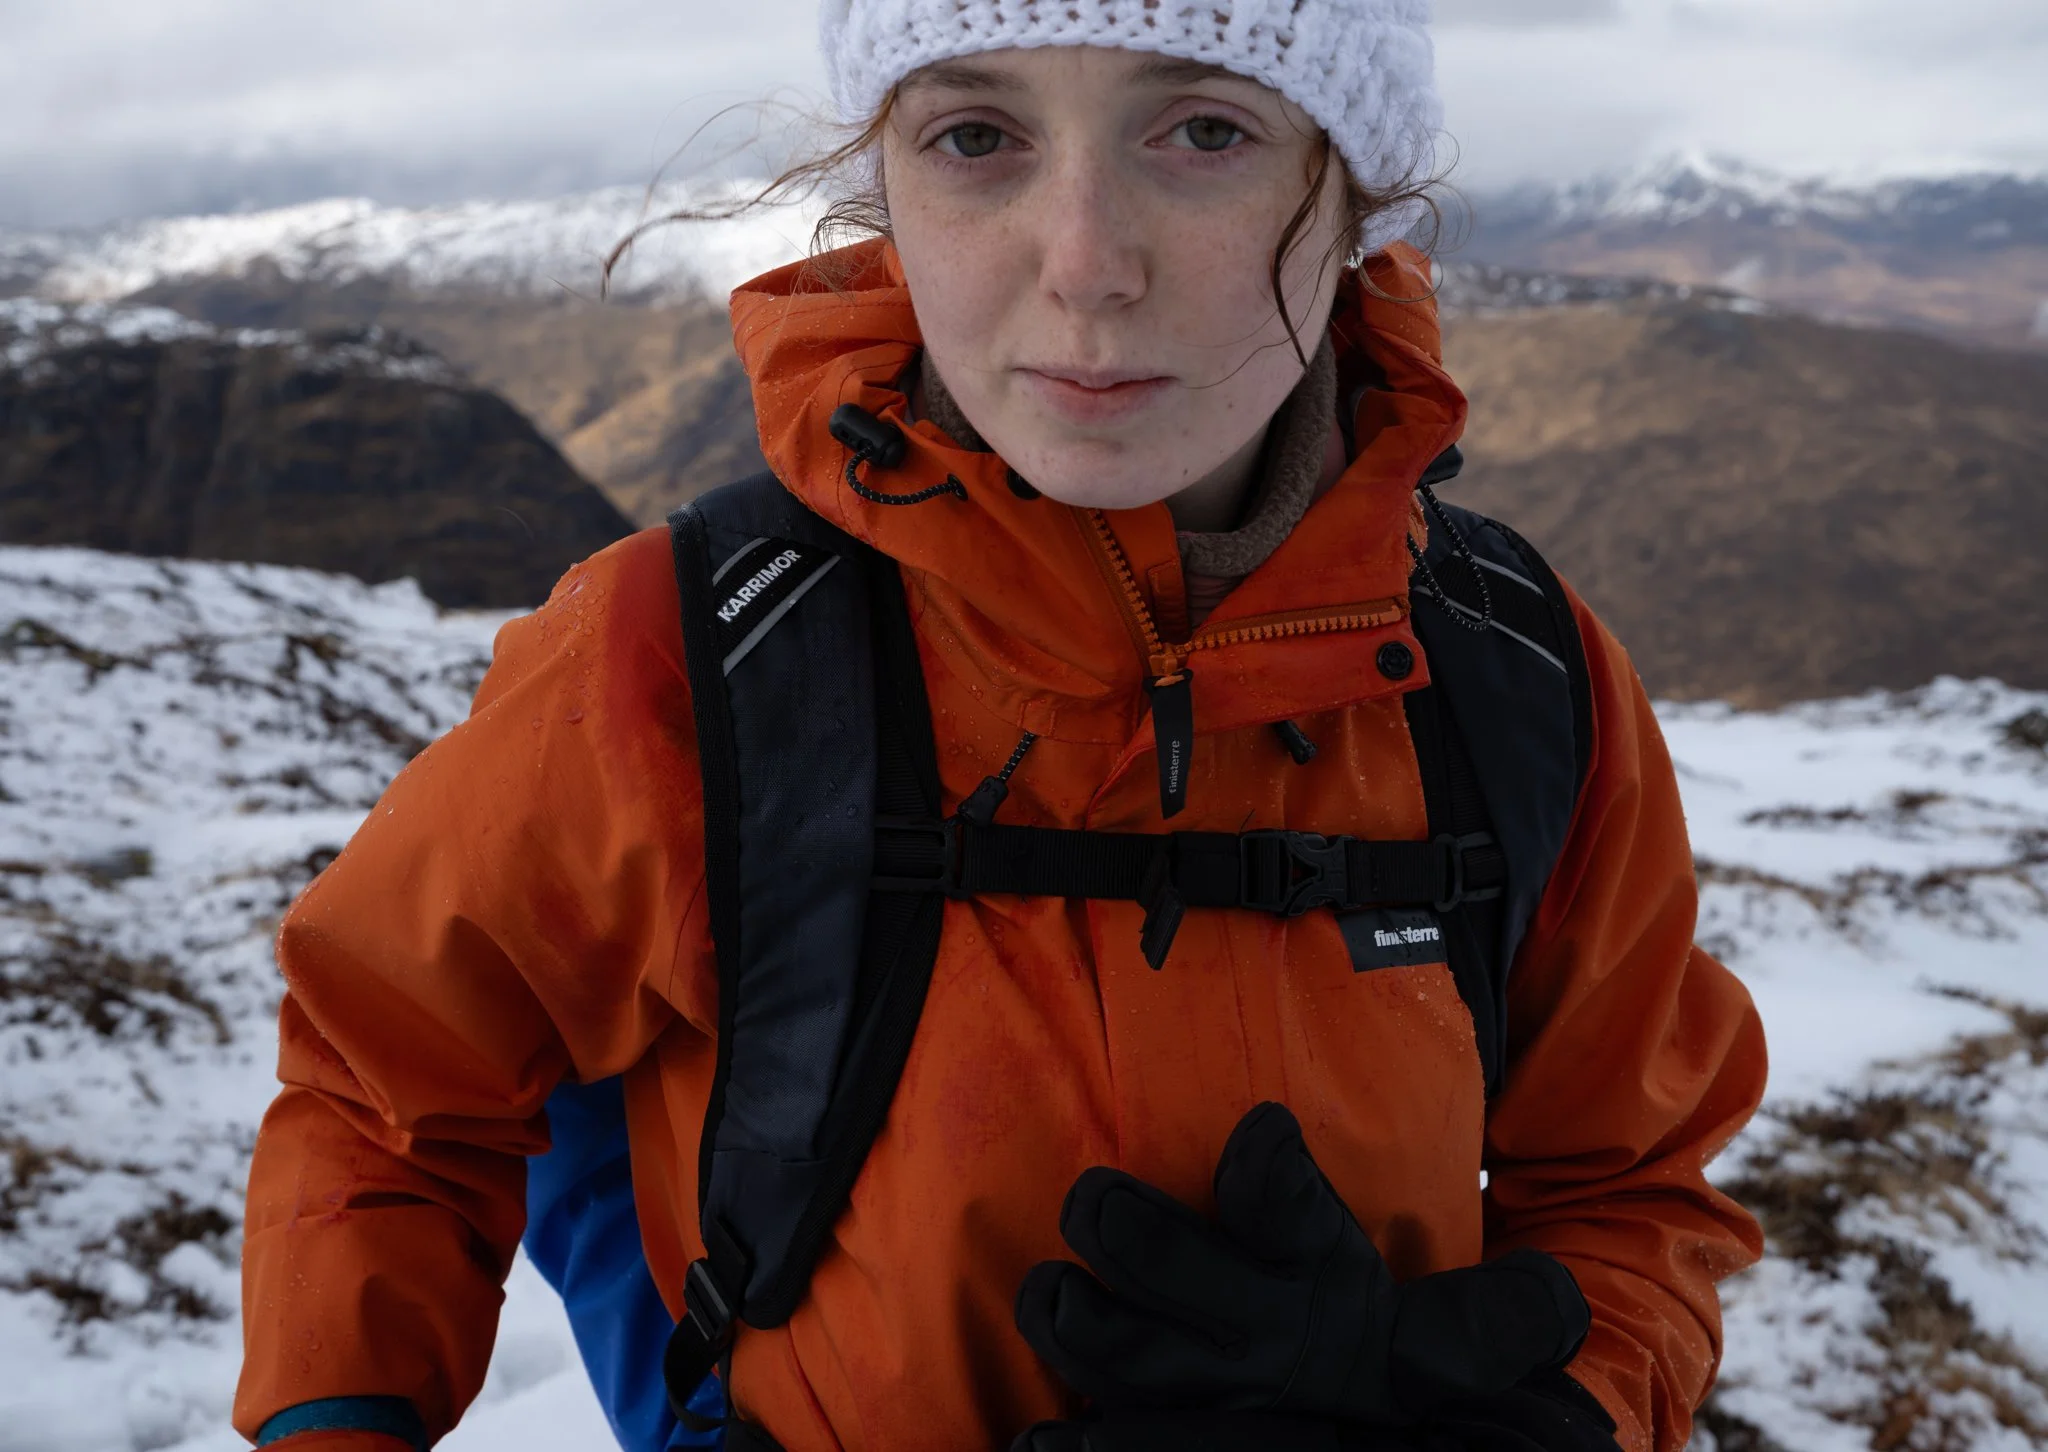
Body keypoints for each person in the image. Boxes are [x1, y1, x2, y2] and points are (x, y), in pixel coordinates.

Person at [232, 1, 1769, 1449]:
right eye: (978, 137)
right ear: (884, 187)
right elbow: (389, 1084)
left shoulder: (1517, 675)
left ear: (1354, 190)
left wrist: (1549, 1418)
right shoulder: (678, 657)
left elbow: (1630, 1188)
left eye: (1206, 134)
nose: (1087, 264)